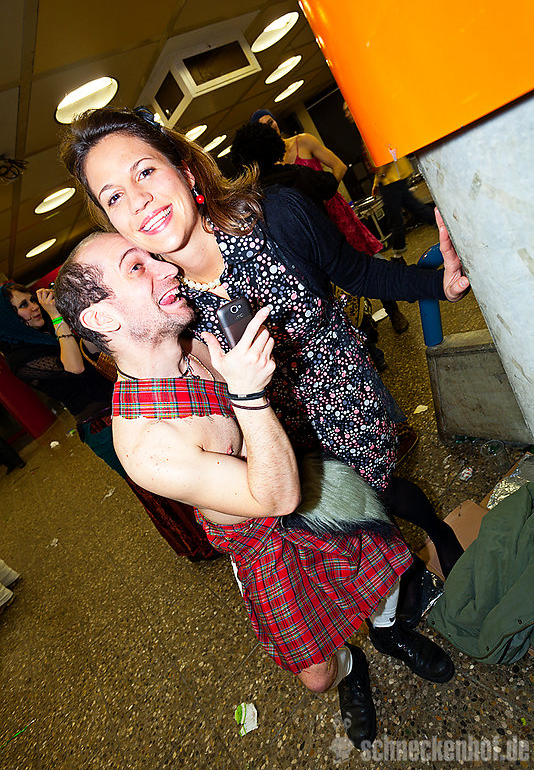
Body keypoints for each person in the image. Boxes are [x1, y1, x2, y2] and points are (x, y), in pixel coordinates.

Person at [54, 230, 455, 748]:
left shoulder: (193, 341)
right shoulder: (146, 444)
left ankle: (390, 633)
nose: (167, 269)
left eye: (154, 258)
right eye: (137, 267)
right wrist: (247, 394)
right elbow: (275, 499)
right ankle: (350, 664)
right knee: (316, 675)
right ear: (103, 317)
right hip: (260, 538)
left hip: (306, 480)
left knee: (382, 579)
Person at [59, 105, 468, 580]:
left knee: (380, 490)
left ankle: (438, 533)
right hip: (268, 425)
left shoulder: (275, 216)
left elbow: (358, 272)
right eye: (113, 197)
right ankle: (401, 583)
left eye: (146, 171)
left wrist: (437, 285)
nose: (138, 201)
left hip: (344, 390)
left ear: (185, 172)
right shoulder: (162, 299)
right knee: (341, 517)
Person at [0, 282, 218, 561]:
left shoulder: (46, 334)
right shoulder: (21, 358)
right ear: (8, 319)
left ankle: (219, 527)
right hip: (101, 424)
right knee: (155, 487)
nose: (33, 307)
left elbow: (93, 349)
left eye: (32, 300)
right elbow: (74, 367)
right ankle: (198, 544)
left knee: (178, 467)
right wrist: (56, 318)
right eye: (23, 306)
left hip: (125, 406)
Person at [249, 109, 410, 335]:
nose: (270, 127)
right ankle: (362, 324)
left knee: (363, 258)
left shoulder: (303, 141)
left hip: (334, 210)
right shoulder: (269, 164)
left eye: (271, 122)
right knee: (335, 274)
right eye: (263, 126)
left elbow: (339, 166)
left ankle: (393, 310)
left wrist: (325, 192)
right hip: (311, 222)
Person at [342, 102, 436, 259]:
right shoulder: (366, 127)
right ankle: (440, 225)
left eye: (347, 110)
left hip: (392, 178)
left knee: (395, 217)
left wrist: (381, 176)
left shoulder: (370, 127)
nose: (346, 115)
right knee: (413, 208)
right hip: (390, 178)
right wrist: (376, 182)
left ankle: (398, 253)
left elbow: (386, 153)